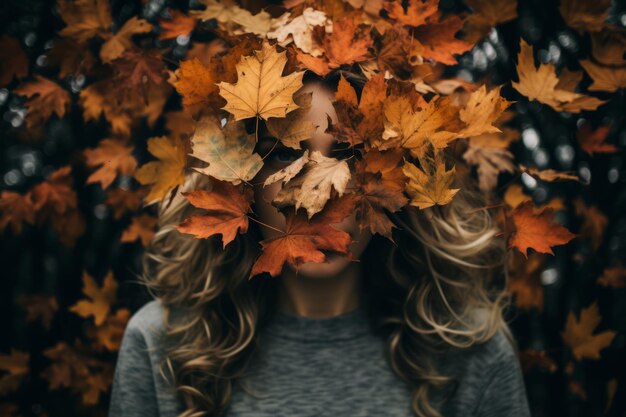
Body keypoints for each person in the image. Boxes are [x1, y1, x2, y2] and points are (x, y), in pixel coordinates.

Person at [108, 69, 532, 417]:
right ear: (238, 181)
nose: (315, 195)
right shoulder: (165, 345)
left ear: (399, 180)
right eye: (283, 154)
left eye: (350, 154)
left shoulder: (471, 352)